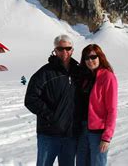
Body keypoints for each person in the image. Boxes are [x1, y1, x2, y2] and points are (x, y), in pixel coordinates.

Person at [24, 34, 81, 166]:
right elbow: (30, 99)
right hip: (48, 134)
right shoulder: (44, 73)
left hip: (70, 134)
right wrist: (52, 116)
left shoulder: (78, 72)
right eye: (60, 49)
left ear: (72, 50)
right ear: (55, 51)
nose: (64, 52)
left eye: (68, 48)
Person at [76, 44, 118, 166]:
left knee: (97, 163)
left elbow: (112, 109)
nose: (90, 61)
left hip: (98, 132)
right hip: (82, 129)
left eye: (93, 57)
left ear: (100, 57)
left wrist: (107, 137)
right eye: (86, 58)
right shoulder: (84, 77)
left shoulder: (108, 77)